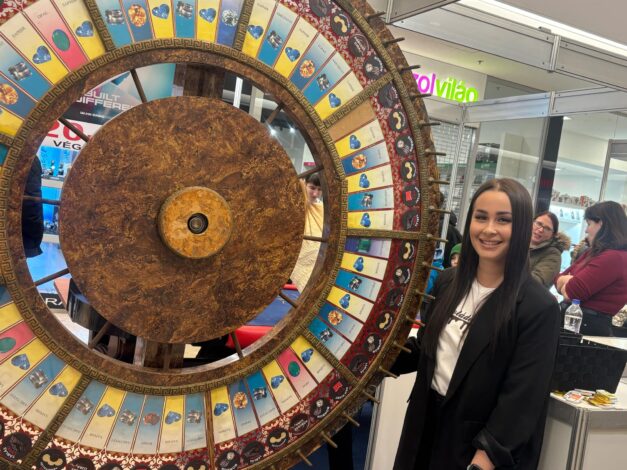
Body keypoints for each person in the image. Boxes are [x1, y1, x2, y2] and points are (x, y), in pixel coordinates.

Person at [392, 178, 560, 470]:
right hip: (423, 425)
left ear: (521, 227)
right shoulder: (448, 283)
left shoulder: (538, 307)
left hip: (475, 445)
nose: (489, 229)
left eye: (503, 220)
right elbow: (426, 349)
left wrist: (486, 457)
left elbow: (522, 397)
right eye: (481, 217)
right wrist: (372, 360)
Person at [555, 201, 627, 336]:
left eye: (589, 224)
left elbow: (571, 292)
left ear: (601, 224)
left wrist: (569, 280)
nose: (586, 230)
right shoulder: (593, 252)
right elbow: (557, 280)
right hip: (576, 326)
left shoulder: (614, 257)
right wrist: (569, 280)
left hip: (587, 331)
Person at [529, 211, 570, 288]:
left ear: (553, 234)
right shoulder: (519, 243)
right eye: (539, 224)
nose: (541, 230)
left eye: (547, 228)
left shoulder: (553, 254)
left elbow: (536, 283)